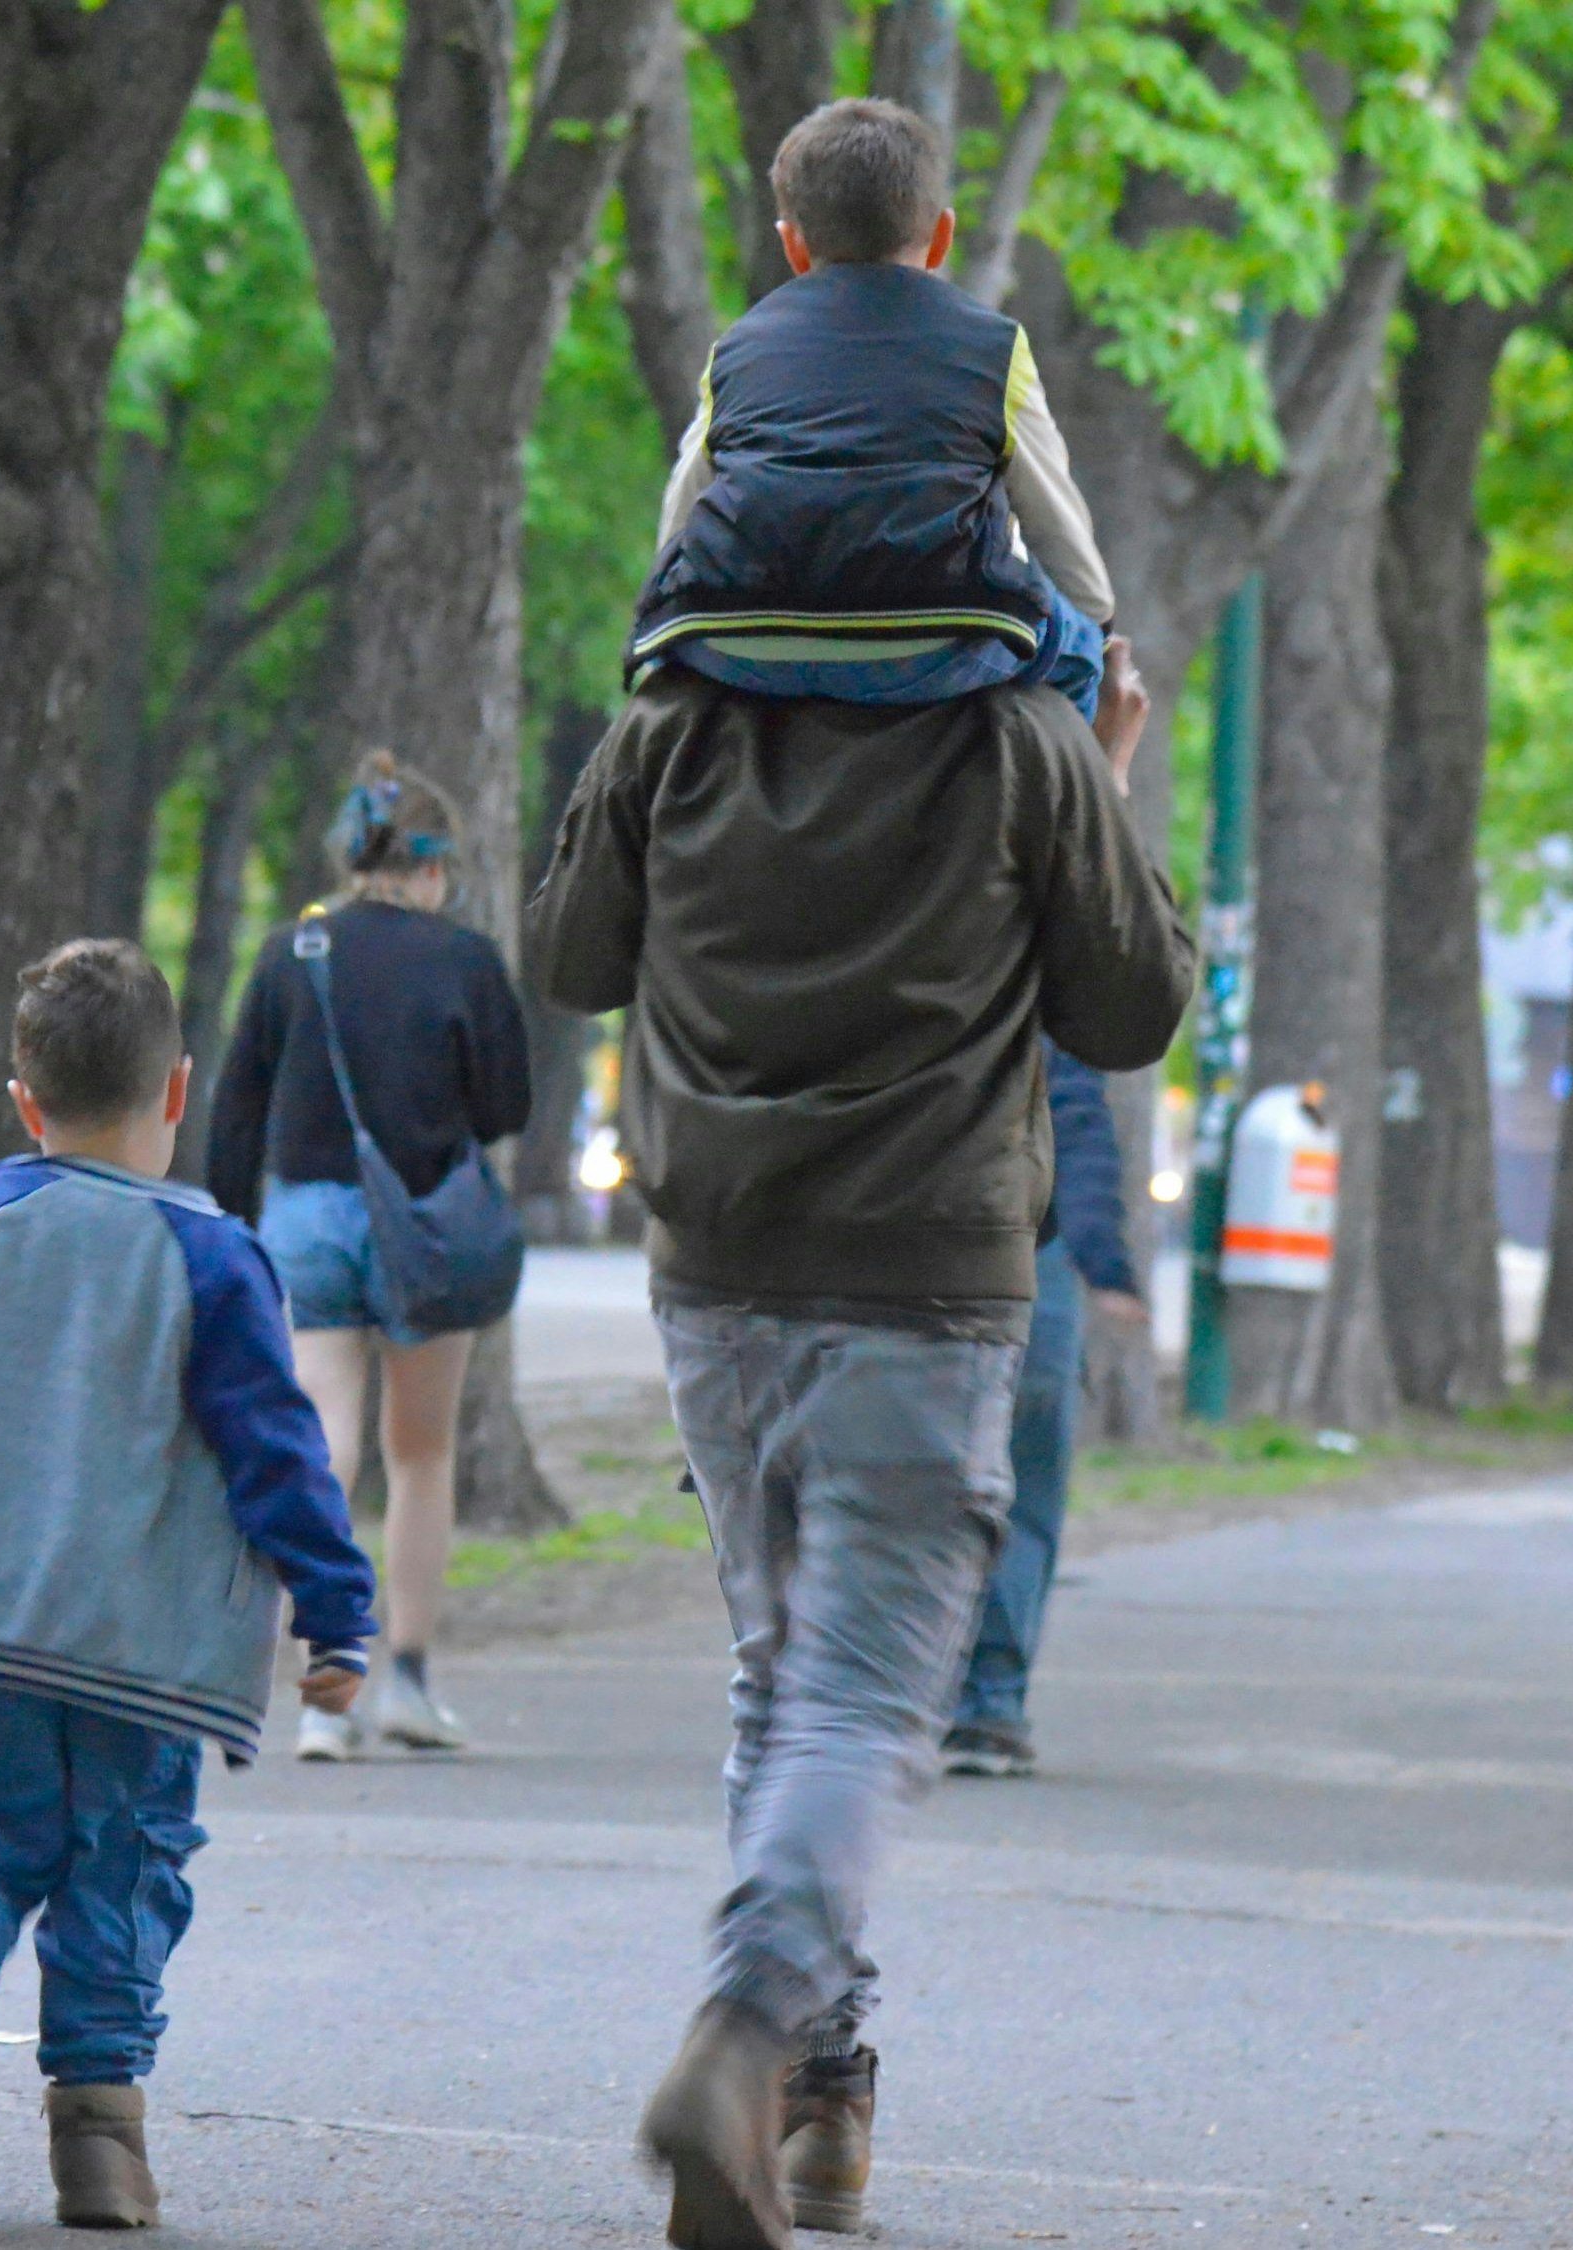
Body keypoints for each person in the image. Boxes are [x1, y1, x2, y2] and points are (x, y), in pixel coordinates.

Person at [524, 642, 1188, 2246]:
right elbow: (1136, 1001)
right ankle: (749, 2033)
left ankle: (817, 2104)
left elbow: (568, 952)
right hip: (928, 1278)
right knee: (863, 1701)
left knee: (778, 1677)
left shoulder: (676, 718)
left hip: (720, 1270)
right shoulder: (1023, 738)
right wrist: (1099, 779)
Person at [0, 938, 377, 2230]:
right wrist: (335, 1609)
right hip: (147, 1652)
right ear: (178, 1091)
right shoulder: (214, 1259)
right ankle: (99, 2137)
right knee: (124, 1869)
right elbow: (278, 1452)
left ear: (24, 1102)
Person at [206, 754, 531, 1759]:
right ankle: (410, 1683)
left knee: (325, 1445)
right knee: (420, 1454)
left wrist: (229, 1231)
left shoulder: (289, 951)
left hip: (302, 1221)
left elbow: (236, 1109)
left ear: (351, 858)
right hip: (424, 1226)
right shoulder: (467, 960)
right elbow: (507, 1106)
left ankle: (320, 1695)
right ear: (433, 868)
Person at [636, 97, 1116, 725]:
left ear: (793, 247)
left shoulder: (737, 350)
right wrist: (1096, 617)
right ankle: (1080, 816)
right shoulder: (996, 349)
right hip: (933, 643)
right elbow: (1068, 555)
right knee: (1079, 646)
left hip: (744, 640)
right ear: (942, 236)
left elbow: (679, 527)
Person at [944, 1044, 1152, 1779]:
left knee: (885, 1471)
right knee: (1020, 1480)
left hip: (891, 1240)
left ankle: (858, 1695)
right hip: (1028, 1245)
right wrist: (1103, 1258)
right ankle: (988, 1705)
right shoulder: (1038, 953)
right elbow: (1074, 1115)